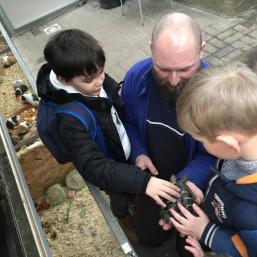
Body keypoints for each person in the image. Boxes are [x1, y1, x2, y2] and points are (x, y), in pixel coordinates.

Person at [36, 29, 180, 238]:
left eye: (101, 72)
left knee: (134, 187)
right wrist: (143, 182)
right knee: (121, 197)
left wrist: (137, 150)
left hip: (122, 150)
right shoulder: (68, 120)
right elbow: (94, 167)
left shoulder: (90, 73)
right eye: (89, 80)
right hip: (109, 168)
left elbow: (118, 106)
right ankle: (123, 219)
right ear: (63, 78)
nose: (99, 82)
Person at [121, 12, 216, 248]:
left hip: (193, 187)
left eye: (185, 69)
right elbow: (129, 122)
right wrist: (138, 152)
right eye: (163, 69)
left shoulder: (216, 95)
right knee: (150, 238)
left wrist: (190, 181)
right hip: (152, 183)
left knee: (189, 248)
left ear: (202, 50)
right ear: (151, 49)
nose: (174, 80)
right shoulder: (135, 77)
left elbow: (214, 152)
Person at [170, 62, 257, 257]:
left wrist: (205, 232)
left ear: (227, 143)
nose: (198, 143)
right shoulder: (239, 151)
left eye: (200, 140)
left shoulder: (253, 217)